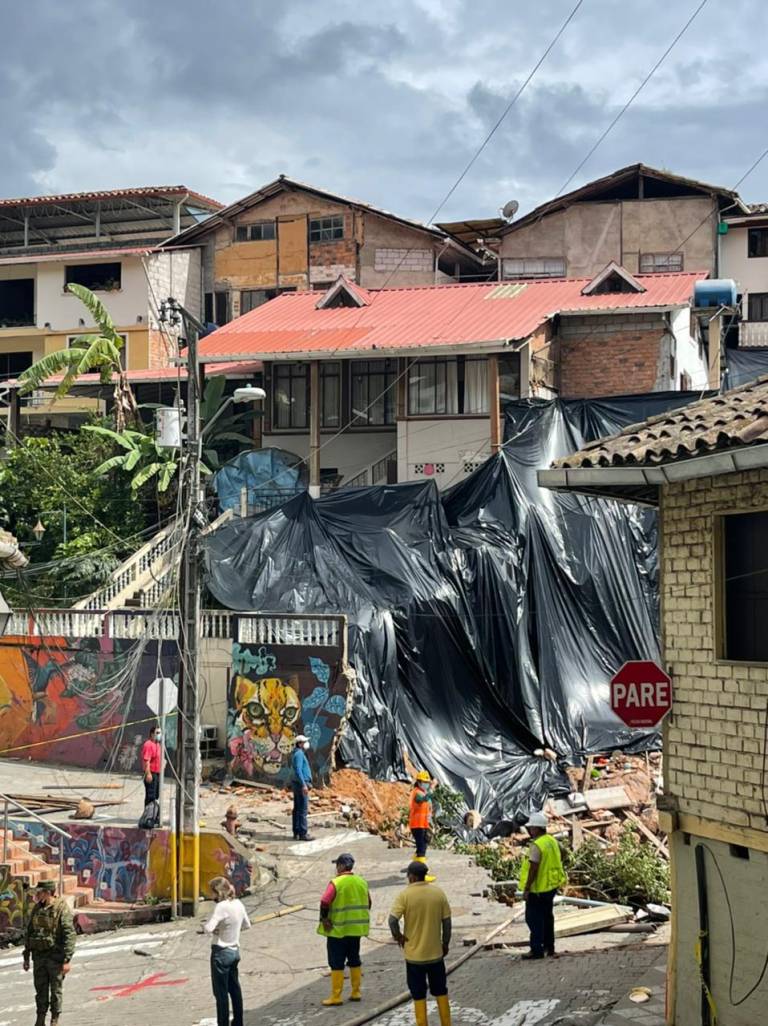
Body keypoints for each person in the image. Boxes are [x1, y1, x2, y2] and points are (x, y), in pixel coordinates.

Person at [389, 861, 452, 1026]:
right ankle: (447, 1023)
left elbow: (392, 920)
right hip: (435, 955)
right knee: (440, 990)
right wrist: (445, 943)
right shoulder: (438, 893)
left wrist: (398, 937)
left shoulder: (405, 895)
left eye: (409, 875)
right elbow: (447, 922)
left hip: (414, 957)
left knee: (418, 994)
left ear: (412, 876)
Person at [317, 853, 371, 1006]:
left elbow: (325, 901)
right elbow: (369, 902)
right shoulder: (361, 882)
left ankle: (336, 996)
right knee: (354, 959)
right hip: (355, 931)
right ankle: (356, 992)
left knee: (336, 963)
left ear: (341, 866)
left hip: (338, 931)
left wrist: (324, 918)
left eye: (337, 865)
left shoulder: (336, 883)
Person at [23, 879, 76, 1026]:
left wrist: (66, 960)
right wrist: (26, 956)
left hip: (55, 957)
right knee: (40, 990)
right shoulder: (37, 908)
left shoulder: (61, 908)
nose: (37, 895)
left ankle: (55, 1019)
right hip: (39, 957)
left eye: (40, 893)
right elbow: (29, 932)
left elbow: (69, 934)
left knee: (55, 990)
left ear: (47, 893)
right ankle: (40, 1019)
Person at [201, 876, 251, 1026]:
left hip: (221, 952)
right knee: (235, 989)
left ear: (218, 892)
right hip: (234, 951)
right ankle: (238, 1021)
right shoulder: (238, 904)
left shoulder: (221, 907)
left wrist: (208, 927)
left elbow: (209, 928)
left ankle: (223, 1023)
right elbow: (246, 925)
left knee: (221, 993)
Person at [518, 811, 567, 960]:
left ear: (537, 828)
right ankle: (549, 947)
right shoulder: (552, 841)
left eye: (531, 827)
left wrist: (526, 889)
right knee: (547, 917)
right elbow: (564, 854)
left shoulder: (536, 845)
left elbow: (533, 868)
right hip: (551, 887)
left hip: (537, 889)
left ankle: (536, 950)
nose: (529, 830)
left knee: (533, 919)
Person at [291, 733, 313, 841]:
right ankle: (303, 832)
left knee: (297, 809)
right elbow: (298, 770)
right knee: (303, 809)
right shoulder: (299, 754)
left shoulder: (296, 753)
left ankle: (296, 831)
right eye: (304, 742)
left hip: (297, 783)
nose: (306, 744)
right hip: (301, 784)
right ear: (299, 744)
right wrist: (304, 785)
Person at [141, 723, 163, 810]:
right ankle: (148, 814)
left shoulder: (158, 745)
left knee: (156, 794)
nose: (159, 735)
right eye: (157, 733)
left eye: (160, 733)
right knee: (150, 795)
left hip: (158, 773)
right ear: (152, 734)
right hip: (151, 773)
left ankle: (153, 812)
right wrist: (148, 773)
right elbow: (147, 760)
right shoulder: (148, 744)